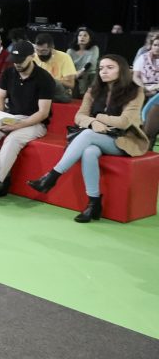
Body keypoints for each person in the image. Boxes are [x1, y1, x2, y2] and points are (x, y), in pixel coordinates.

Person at [26, 55, 149, 223]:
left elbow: (124, 122)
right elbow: (79, 117)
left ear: (122, 69)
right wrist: (92, 122)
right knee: (89, 152)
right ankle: (93, 204)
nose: (104, 71)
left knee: (88, 135)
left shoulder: (135, 90)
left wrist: (97, 117)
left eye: (110, 67)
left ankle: (51, 176)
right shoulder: (93, 90)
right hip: (98, 137)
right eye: (101, 68)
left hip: (124, 140)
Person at [0, 41, 54, 199]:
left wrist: (19, 125)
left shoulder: (44, 78)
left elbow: (43, 113)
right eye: (14, 60)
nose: (17, 64)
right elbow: (0, 97)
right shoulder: (9, 73)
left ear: (32, 57)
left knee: (13, 139)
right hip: (12, 117)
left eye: (21, 61)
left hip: (35, 122)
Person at [32, 33, 77, 102]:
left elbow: (71, 85)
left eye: (44, 51)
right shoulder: (33, 57)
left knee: (50, 81)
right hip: (39, 91)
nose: (40, 54)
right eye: (37, 50)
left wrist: (49, 80)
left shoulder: (64, 57)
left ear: (52, 47)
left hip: (61, 93)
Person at [67, 27, 100, 99]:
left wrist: (81, 71)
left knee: (91, 76)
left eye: (85, 35)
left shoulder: (94, 48)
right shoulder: (70, 51)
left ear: (90, 38)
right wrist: (75, 74)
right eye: (80, 35)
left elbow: (91, 62)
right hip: (74, 75)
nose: (82, 37)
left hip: (89, 74)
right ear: (77, 38)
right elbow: (67, 65)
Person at [131, 32, 159, 99]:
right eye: (155, 45)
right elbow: (136, 77)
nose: (157, 48)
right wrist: (144, 89)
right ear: (151, 46)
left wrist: (156, 90)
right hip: (144, 89)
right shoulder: (142, 58)